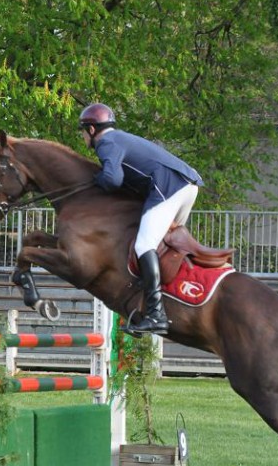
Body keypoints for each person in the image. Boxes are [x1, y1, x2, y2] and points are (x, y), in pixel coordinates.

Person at [79, 102, 203, 336]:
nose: (83, 137)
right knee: (162, 247)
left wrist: (95, 180)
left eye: (83, 131)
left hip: (170, 187)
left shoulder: (106, 143)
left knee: (145, 245)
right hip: (186, 186)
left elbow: (112, 180)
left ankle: (156, 315)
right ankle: (156, 305)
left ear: (92, 129)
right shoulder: (120, 139)